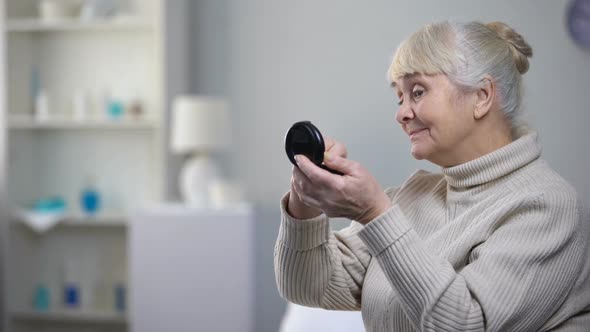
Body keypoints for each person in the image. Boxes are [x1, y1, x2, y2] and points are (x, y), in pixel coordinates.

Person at [274, 20, 590, 331]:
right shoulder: (414, 194)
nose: (401, 113)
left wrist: (374, 214)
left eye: (418, 92)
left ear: (482, 96)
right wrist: (305, 202)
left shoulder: (547, 206)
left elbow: (468, 323)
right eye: (399, 97)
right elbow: (307, 286)